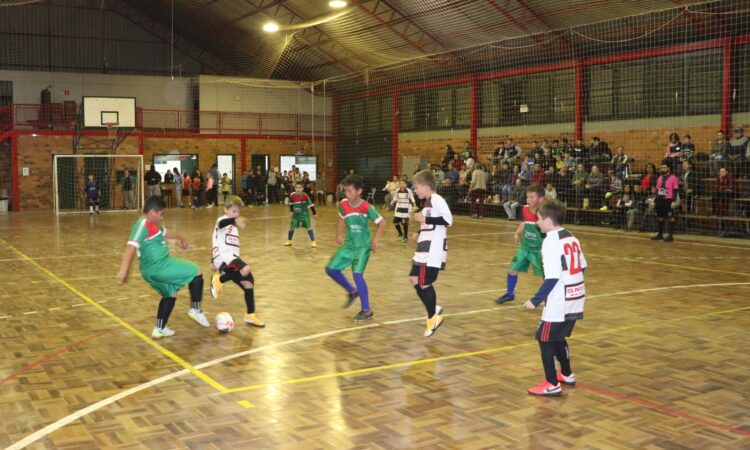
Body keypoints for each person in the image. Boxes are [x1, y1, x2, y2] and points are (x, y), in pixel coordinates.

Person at [116, 196, 208, 339]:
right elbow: (130, 248)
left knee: (170, 294)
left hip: (150, 271)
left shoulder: (154, 225)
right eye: (161, 214)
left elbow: (166, 233)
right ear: (152, 212)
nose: (161, 217)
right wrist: (123, 270)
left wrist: (181, 238)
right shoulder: (142, 225)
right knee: (197, 271)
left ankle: (159, 328)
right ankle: (195, 309)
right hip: (160, 266)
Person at [524, 199, 586, 397]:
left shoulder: (550, 241)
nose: (537, 222)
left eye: (539, 219)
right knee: (557, 336)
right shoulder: (571, 237)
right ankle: (566, 374)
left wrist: (535, 299)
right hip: (576, 294)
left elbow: (552, 277)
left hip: (560, 299)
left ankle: (552, 383)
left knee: (544, 338)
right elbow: (582, 265)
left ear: (549, 221)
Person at [325, 175, 386, 322]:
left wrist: (375, 241)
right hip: (349, 245)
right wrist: (338, 234)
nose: (347, 194)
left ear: (359, 191)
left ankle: (367, 310)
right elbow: (341, 218)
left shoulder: (366, 207)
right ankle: (352, 291)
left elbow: (382, 222)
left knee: (357, 274)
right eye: (345, 191)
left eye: (350, 191)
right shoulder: (344, 204)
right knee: (331, 269)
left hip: (363, 246)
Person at [209, 195, 264, 328]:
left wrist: (212, 262)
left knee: (248, 282)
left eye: (238, 211)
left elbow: (217, 240)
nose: (236, 214)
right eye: (233, 211)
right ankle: (219, 280)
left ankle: (250, 315)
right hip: (224, 257)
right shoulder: (222, 220)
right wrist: (235, 219)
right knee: (245, 269)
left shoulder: (233, 227)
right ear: (225, 210)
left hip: (230, 258)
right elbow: (222, 225)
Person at [410, 169, 453, 337]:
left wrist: (425, 219)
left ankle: (432, 318)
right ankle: (432, 307)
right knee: (414, 278)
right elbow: (432, 225)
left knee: (424, 282)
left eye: (416, 187)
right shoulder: (427, 202)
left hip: (432, 250)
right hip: (423, 249)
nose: (415, 190)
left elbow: (447, 220)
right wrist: (420, 233)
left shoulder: (437, 199)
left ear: (426, 186)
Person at [497, 184, 546, 304]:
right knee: (512, 270)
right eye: (527, 197)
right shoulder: (525, 209)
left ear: (541, 199)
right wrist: (517, 233)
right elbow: (525, 223)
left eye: (532, 197)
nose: (528, 200)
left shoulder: (545, 213)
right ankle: (510, 294)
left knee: (546, 277)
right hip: (525, 246)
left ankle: (548, 298)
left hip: (539, 250)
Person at [652, 163, 680, 242]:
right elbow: (657, 190)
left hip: (669, 200)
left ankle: (670, 235)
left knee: (670, 217)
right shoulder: (659, 178)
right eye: (662, 168)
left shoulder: (673, 178)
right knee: (660, 217)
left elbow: (675, 190)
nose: (663, 169)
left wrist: (673, 201)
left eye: (664, 167)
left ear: (668, 168)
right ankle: (660, 234)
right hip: (661, 200)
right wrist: (655, 201)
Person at [284, 182, 317, 247]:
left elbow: (311, 205)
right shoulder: (292, 195)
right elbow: (291, 204)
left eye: (300, 188)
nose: (298, 189)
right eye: (296, 187)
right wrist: (291, 211)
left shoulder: (305, 195)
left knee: (309, 227)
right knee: (291, 228)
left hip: (304, 215)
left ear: (302, 189)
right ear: (295, 188)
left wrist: (314, 213)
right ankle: (289, 241)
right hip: (296, 216)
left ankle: (313, 241)